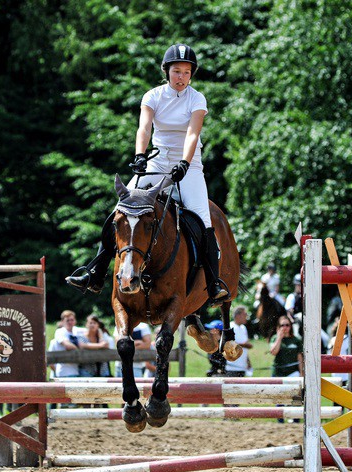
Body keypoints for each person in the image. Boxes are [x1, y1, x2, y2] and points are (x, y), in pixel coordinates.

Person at [66, 43, 228, 304]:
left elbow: (192, 133)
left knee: (202, 219)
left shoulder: (197, 98)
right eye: (177, 71)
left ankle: (213, 283)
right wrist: (140, 155)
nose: (182, 78)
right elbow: (144, 128)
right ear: (166, 71)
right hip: (157, 162)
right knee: (121, 209)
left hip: (189, 167)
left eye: (187, 73)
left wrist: (185, 163)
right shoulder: (152, 96)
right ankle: (95, 273)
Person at [49, 310, 81, 379]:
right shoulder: (60, 332)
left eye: (72, 320)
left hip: (76, 371)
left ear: (75, 321)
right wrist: (79, 351)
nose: (70, 322)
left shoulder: (76, 331)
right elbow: (67, 345)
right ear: (63, 321)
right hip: (63, 373)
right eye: (67, 320)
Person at [225, 306, 253, 377]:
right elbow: (228, 344)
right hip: (232, 367)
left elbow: (245, 348)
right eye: (244, 314)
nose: (246, 316)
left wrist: (248, 362)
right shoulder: (230, 326)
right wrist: (245, 345)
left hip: (242, 366)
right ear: (238, 315)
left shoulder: (244, 328)